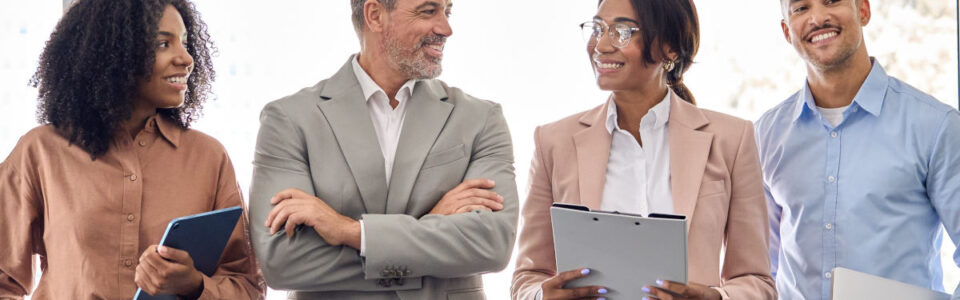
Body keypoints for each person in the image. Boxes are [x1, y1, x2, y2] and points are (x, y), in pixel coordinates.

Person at [246, 0, 518, 298]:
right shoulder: (288, 119)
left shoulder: (481, 118)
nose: (446, 28)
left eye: (448, 11)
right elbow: (282, 263)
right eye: (428, 11)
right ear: (375, 15)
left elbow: (492, 244)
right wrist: (430, 228)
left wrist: (350, 232)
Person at [511, 0, 776, 299]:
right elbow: (527, 277)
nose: (601, 45)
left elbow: (756, 281)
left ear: (670, 48)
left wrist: (716, 298)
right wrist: (539, 296)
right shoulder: (553, 142)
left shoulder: (732, 139)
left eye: (622, 31)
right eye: (597, 28)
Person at [0, 0, 265, 299]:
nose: (186, 58)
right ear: (112, 52)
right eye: (163, 44)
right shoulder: (40, 152)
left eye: (186, 42)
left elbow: (248, 288)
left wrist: (193, 284)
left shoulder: (208, 157)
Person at [756, 0, 960, 299]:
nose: (818, 17)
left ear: (862, 10)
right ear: (787, 31)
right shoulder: (766, 134)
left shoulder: (935, 126)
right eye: (801, 8)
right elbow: (763, 267)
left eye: (831, 1)